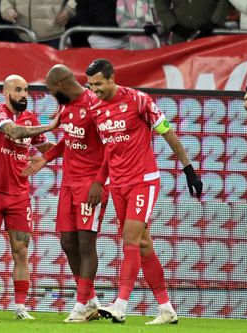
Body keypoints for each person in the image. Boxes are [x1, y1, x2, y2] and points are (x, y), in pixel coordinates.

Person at [85, 58, 203, 325]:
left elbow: (167, 133)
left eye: (99, 84)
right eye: (91, 85)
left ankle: (120, 304)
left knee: (130, 238)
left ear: (112, 78)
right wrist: (99, 179)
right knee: (143, 244)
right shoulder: (94, 107)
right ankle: (166, 309)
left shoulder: (139, 100)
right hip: (118, 184)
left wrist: (188, 169)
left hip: (143, 180)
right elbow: (108, 150)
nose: (95, 90)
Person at [0, 74, 58, 320]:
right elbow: (14, 131)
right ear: (6, 93)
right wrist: (52, 125)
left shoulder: (31, 119)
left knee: (20, 251)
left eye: (26, 90)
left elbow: (45, 147)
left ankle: (19, 307)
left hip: (19, 197)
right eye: (18, 90)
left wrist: (72, 147)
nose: (23, 95)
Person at [22, 64, 108, 322]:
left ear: (59, 84)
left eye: (49, 90)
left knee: (85, 243)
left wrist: (99, 183)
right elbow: (68, 140)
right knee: (67, 242)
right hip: (69, 184)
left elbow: (110, 147)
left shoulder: (95, 106)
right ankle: (91, 299)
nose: (50, 94)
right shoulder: (66, 106)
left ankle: (81, 304)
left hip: (90, 184)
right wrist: (45, 158)